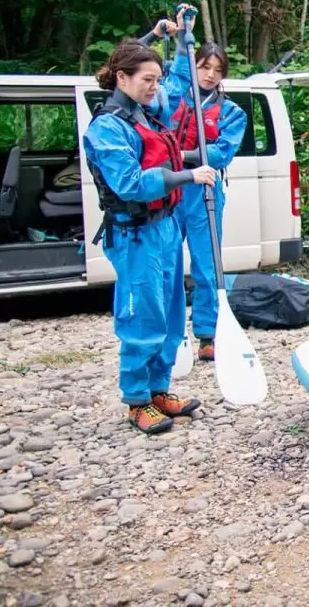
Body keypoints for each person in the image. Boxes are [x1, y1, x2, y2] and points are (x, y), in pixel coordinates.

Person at [83, 40, 217, 434]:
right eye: (147, 79)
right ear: (121, 77)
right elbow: (128, 183)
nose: (155, 87)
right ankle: (137, 399)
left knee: (172, 315)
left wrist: (182, 41)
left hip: (165, 227)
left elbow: (177, 86)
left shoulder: (146, 112)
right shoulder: (108, 127)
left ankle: (160, 390)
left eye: (156, 79)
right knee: (142, 316)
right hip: (135, 234)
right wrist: (187, 175)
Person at [164, 33, 246, 362]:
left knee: (206, 264)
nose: (210, 74)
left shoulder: (230, 111)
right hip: (169, 189)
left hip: (204, 191)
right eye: (204, 66)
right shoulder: (172, 98)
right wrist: (184, 36)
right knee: (168, 264)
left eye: (217, 69)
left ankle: (207, 333)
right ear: (194, 66)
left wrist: (180, 155)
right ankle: (171, 333)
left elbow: (221, 152)